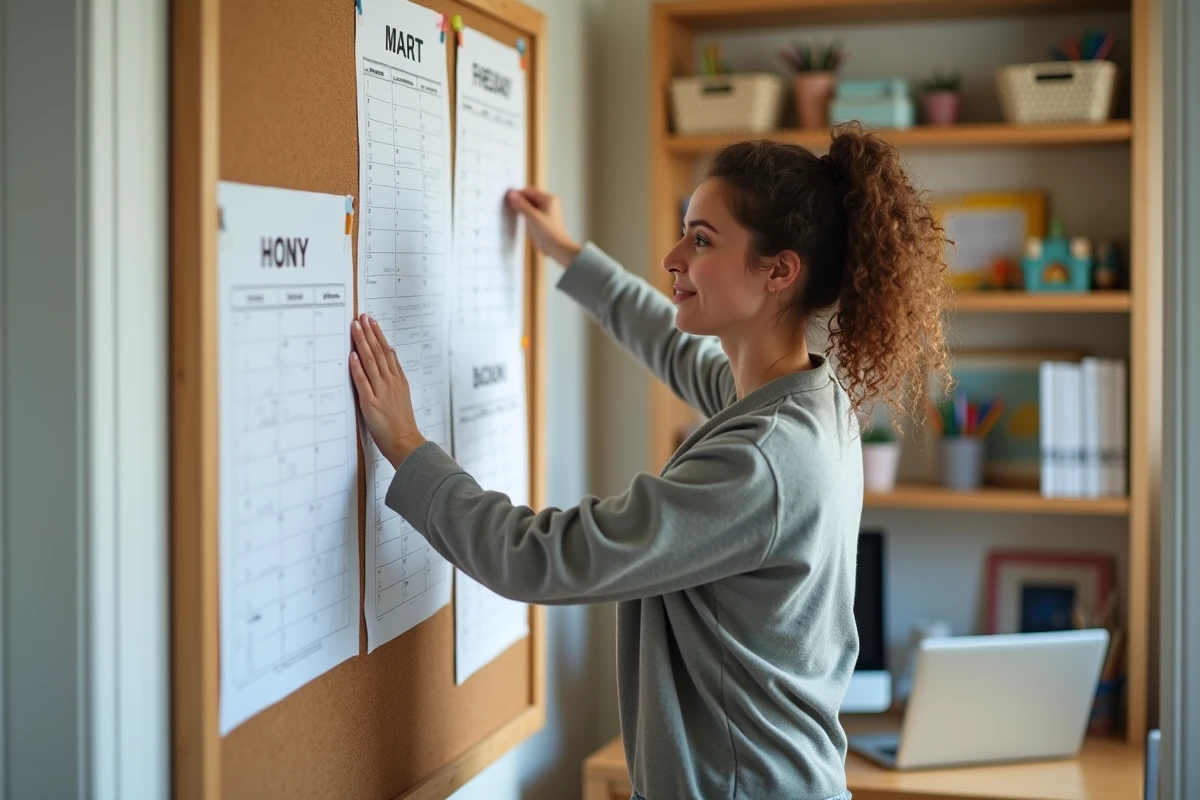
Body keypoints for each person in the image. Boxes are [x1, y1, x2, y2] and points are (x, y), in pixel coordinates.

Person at [349, 123, 950, 800]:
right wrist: (568, 253)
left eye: (701, 240)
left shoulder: (762, 460)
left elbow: (536, 557)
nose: (671, 256)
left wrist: (406, 446)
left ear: (779, 270)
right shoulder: (803, 397)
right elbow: (673, 348)